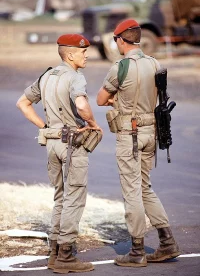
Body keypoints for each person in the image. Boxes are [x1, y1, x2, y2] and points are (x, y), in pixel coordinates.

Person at [96, 19, 180, 268]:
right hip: (150, 133)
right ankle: (167, 242)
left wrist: (117, 101)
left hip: (129, 134)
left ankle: (137, 251)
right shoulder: (154, 63)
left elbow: (101, 99)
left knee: (132, 191)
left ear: (121, 40)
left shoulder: (120, 67)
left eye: (116, 40)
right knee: (145, 187)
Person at [16, 33, 102, 274]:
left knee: (60, 196)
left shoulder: (46, 76)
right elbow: (83, 106)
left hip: (52, 142)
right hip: (72, 144)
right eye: (83, 52)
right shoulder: (75, 77)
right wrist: (94, 124)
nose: (87, 56)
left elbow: (22, 103)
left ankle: (54, 252)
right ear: (71, 54)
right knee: (75, 198)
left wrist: (44, 127)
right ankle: (66, 255)